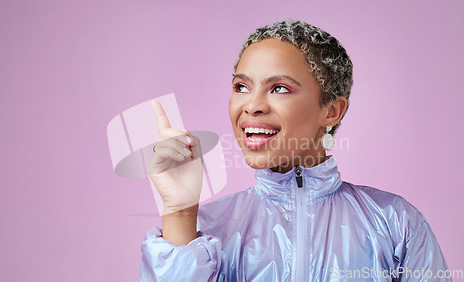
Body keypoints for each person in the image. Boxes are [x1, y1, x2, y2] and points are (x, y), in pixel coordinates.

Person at [139, 20, 450, 281]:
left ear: (332, 111)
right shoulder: (206, 233)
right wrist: (179, 212)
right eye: (241, 87)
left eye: (279, 88)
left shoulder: (395, 222)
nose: (253, 106)